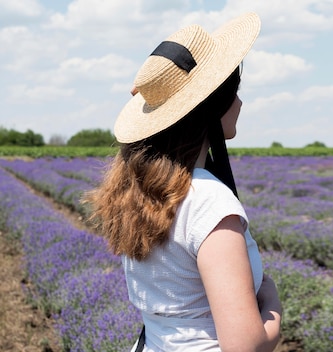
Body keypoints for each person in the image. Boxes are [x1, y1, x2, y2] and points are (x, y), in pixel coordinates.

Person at [84, 12, 282, 352]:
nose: (240, 103)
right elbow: (244, 346)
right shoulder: (209, 202)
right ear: (213, 107)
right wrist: (273, 301)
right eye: (234, 92)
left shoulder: (139, 191)